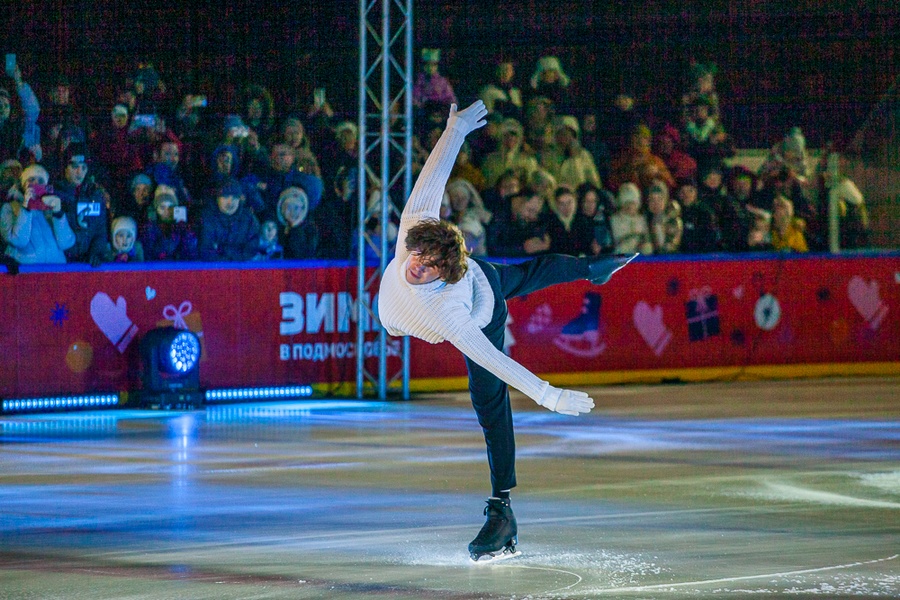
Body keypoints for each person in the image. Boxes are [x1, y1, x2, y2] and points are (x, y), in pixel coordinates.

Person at [377, 101, 635, 561]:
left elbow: (496, 359)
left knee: (488, 399)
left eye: (431, 266)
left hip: (481, 303)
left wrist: (548, 395)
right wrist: (454, 130)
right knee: (529, 273)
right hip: (477, 271)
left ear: (444, 274)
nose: (416, 266)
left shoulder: (448, 312)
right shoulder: (414, 232)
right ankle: (594, 268)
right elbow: (431, 179)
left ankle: (501, 511)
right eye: (418, 256)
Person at [1, 164, 75, 264]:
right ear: (23, 184)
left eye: (40, 181)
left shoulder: (50, 208)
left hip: (56, 271)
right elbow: (19, 241)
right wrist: (26, 208)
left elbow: (66, 243)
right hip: (28, 273)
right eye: (31, 179)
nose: (36, 183)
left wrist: (58, 213)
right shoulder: (9, 208)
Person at [199, 178, 260, 261]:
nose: (230, 202)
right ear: (217, 198)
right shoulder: (207, 217)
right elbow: (206, 249)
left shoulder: (249, 219)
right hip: (214, 269)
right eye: (225, 197)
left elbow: (252, 248)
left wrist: (222, 249)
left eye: (235, 198)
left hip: (240, 268)